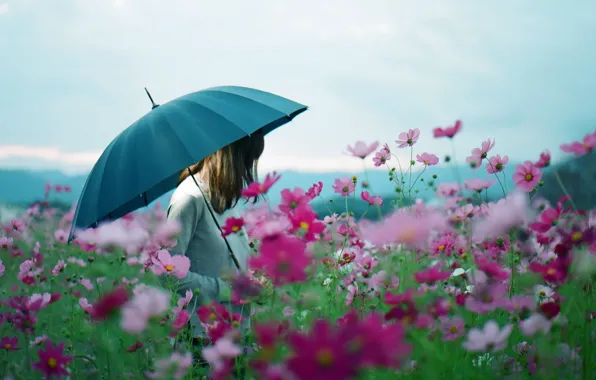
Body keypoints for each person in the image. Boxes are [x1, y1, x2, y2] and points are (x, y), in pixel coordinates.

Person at [166, 129, 265, 375]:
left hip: (235, 337)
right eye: (247, 160)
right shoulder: (189, 199)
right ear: (231, 156)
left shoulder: (224, 196)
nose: (248, 171)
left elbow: (227, 262)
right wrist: (229, 288)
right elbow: (167, 275)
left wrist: (252, 283)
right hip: (201, 342)